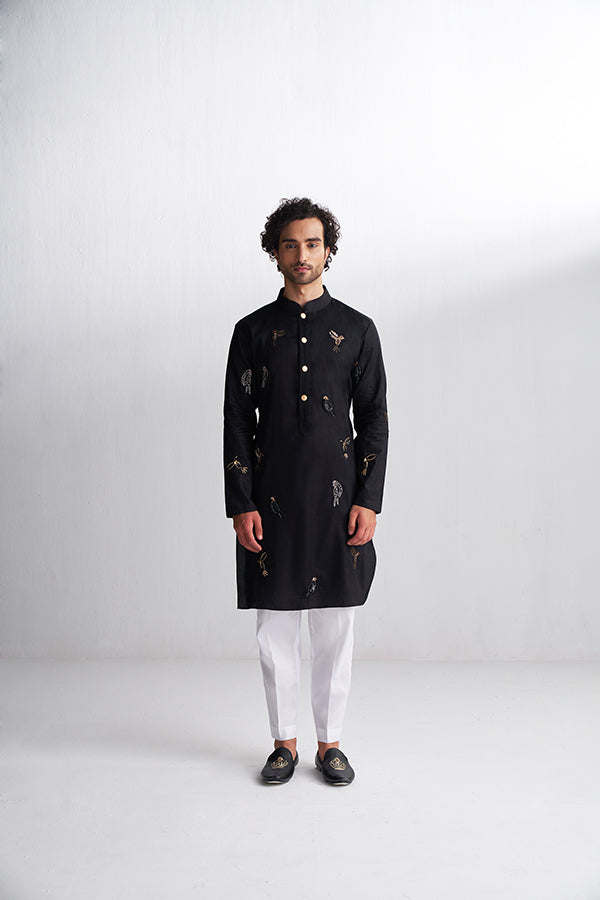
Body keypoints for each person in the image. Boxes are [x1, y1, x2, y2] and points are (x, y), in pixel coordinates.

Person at [223, 197, 388, 785]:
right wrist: (241, 503)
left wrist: (368, 499)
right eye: (290, 244)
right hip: (271, 502)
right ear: (275, 252)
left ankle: (330, 744)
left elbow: (373, 420)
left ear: (328, 250)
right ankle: (283, 744)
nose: (302, 255)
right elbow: (237, 422)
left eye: (312, 244)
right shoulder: (251, 332)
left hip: (339, 503)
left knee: (335, 627)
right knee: (274, 629)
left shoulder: (358, 330)